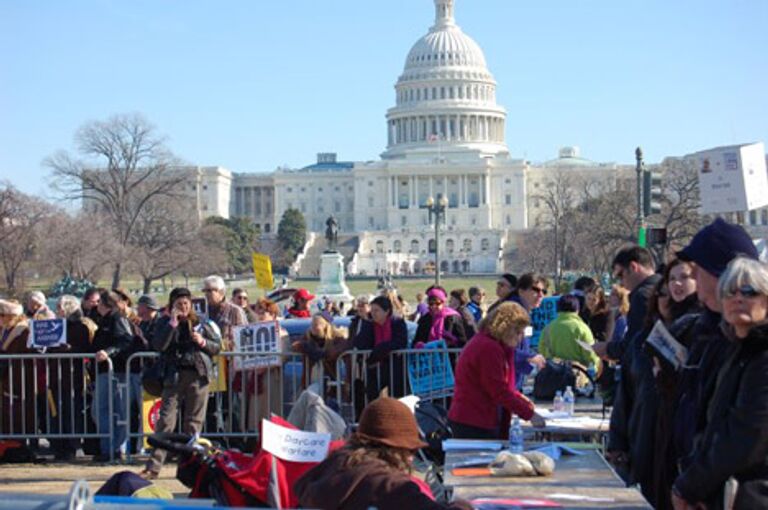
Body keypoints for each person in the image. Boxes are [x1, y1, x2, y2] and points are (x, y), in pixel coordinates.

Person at [672, 257, 768, 510]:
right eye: (729, 291)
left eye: (749, 291)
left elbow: (745, 436)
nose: (738, 298)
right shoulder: (736, 352)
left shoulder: (762, 357)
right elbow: (714, 426)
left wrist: (691, 486)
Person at [295, 397, 473, 510]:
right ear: (396, 448)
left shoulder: (334, 464)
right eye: (410, 450)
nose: (412, 458)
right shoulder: (389, 485)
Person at [141, 287, 222, 479]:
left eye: (187, 303)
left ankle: (189, 466)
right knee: (165, 421)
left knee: (193, 424)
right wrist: (172, 324)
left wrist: (202, 342)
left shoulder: (201, 322)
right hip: (174, 376)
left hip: (198, 375)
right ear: (172, 306)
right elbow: (158, 345)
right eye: (179, 304)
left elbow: (217, 346)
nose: (184, 307)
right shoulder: (164, 323)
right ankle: (153, 466)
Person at [647, 259, 701, 510]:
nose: (677, 284)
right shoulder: (672, 321)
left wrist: (664, 375)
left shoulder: (700, 323)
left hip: (687, 431)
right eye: (672, 279)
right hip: (667, 422)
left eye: (685, 277)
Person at [448, 302, 546, 439]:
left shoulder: (493, 345)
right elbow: (498, 390)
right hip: (474, 420)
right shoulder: (489, 348)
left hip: (476, 417)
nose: (521, 337)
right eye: (518, 332)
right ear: (505, 329)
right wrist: (529, 414)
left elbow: (501, 386)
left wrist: (518, 397)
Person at [49, 295, 96, 461]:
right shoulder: (54, 326)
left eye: (60, 308)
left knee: (72, 410)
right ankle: (58, 445)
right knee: (57, 412)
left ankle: (73, 445)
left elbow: (86, 349)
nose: (57, 311)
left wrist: (70, 349)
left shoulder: (81, 326)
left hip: (73, 375)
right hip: (56, 375)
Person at [91, 290, 134, 461]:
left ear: (107, 304)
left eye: (100, 302)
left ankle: (115, 449)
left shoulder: (117, 319)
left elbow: (126, 340)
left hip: (115, 371)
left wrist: (109, 352)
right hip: (105, 370)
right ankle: (108, 448)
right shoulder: (105, 320)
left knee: (114, 410)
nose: (97, 306)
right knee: (102, 410)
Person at [353, 295, 408, 402]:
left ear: (387, 311)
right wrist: (365, 323)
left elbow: (400, 342)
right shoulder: (369, 325)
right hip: (374, 367)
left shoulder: (397, 323)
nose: (373, 313)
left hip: (394, 366)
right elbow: (359, 343)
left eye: (376, 310)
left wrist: (381, 348)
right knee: (371, 398)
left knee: (396, 398)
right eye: (372, 310)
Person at [506, 273, 548, 389]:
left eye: (544, 291)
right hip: (501, 380)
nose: (540, 295)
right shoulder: (511, 313)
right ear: (521, 291)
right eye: (535, 290)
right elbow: (502, 349)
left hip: (514, 379)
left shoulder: (524, 313)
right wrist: (530, 357)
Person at [0, 299, 34, 440]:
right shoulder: (5, 330)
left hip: (19, 376)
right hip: (7, 376)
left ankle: (20, 443)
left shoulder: (23, 330)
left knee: (20, 411)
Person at [538, 294, 600, 369]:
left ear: (558, 309)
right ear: (577, 310)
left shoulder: (547, 328)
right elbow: (590, 355)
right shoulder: (582, 328)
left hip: (552, 375)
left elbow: (542, 351)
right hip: (576, 375)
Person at [292, 312, 351, 385]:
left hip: (336, 379)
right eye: (312, 324)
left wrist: (310, 349)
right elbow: (295, 346)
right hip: (315, 380)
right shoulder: (308, 337)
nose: (313, 327)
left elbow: (330, 354)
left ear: (325, 325)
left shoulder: (338, 337)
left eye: (317, 324)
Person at [203, 275, 247, 350]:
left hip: (229, 356)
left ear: (221, 292)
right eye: (205, 291)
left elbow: (244, 337)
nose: (206, 294)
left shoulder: (235, 311)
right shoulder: (203, 312)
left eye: (210, 291)